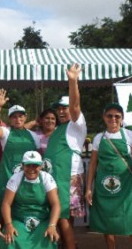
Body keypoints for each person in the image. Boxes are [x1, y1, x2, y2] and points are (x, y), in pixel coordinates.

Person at [85, 103, 132, 249]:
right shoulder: (98, 138)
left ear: (122, 119)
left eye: (117, 116)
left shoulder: (129, 135)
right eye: (109, 115)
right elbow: (93, 164)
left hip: (125, 186)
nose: (113, 119)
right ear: (104, 117)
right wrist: (89, 188)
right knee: (107, 221)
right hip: (104, 187)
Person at [43, 63, 86, 249]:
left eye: (64, 108)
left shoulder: (76, 124)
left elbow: (75, 105)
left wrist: (73, 81)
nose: (61, 111)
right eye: (59, 108)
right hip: (55, 178)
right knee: (60, 217)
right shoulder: (59, 129)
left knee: (63, 217)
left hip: (67, 177)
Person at [0, 88, 40, 208]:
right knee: (6, 204)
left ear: (25, 117)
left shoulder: (34, 136)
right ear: (10, 119)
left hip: (27, 177)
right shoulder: (5, 133)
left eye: (21, 116)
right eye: (14, 117)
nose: (18, 119)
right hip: (7, 176)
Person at [0, 151, 60, 248]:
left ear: (40, 166)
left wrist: (52, 225)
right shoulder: (16, 178)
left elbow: (55, 204)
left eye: (35, 166)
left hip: (42, 219)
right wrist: (9, 224)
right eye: (28, 165)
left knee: (48, 238)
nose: (31, 169)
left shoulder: (46, 178)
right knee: (10, 239)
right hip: (20, 220)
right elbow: (6, 204)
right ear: (23, 166)